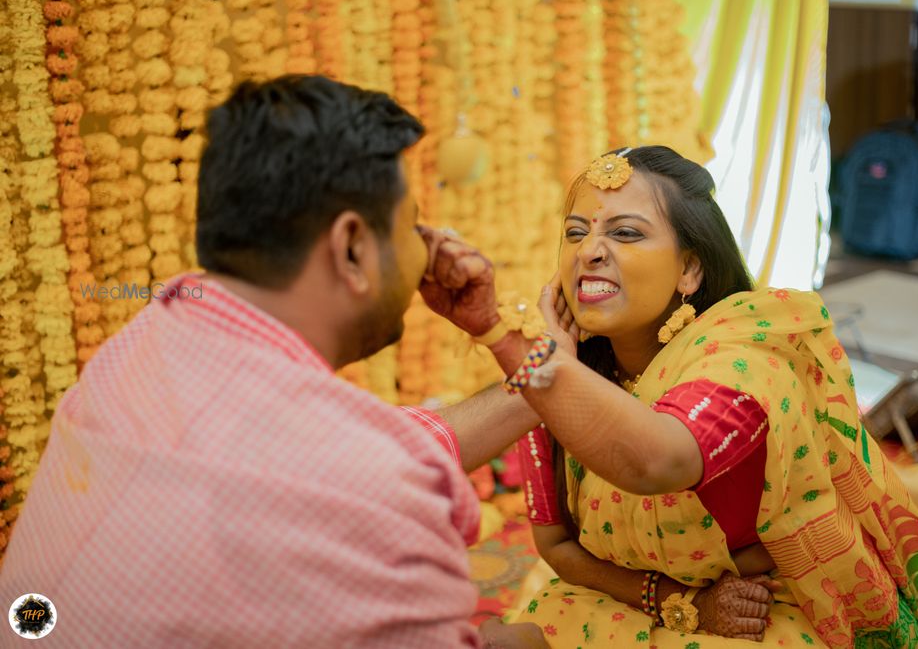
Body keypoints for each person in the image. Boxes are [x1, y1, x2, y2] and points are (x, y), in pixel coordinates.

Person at [0, 76, 546, 648]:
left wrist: (518, 353)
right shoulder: (374, 493)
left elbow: (368, 458)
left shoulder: (152, 336)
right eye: (413, 224)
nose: (432, 247)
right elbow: (363, 478)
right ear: (352, 248)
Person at [460, 146, 918, 647]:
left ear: (690, 270)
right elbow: (555, 543)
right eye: (575, 232)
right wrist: (672, 602)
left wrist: (546, 367)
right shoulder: (562, 368)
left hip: (759, 611)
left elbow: (657, 460)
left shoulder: (742, 360)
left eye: (625, 232)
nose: (588, 251)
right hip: (618, 600)